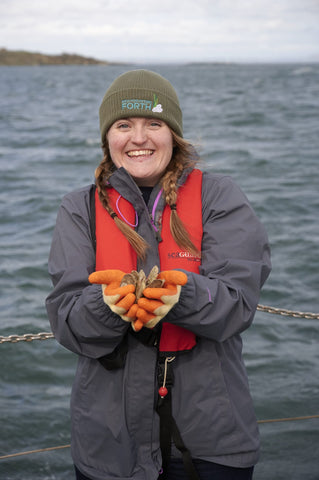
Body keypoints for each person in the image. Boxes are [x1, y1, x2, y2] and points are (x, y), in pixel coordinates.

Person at [46, 69, 271, 480]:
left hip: (212, 437)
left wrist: (179, 296)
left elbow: (238, 304)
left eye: (154, 123)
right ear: (107, 138)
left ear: (173, 134)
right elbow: (68, 323)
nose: (138, 137)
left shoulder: (219, 196)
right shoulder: (77, 209)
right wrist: (105, 303)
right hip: (109, 445)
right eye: (123, 125)